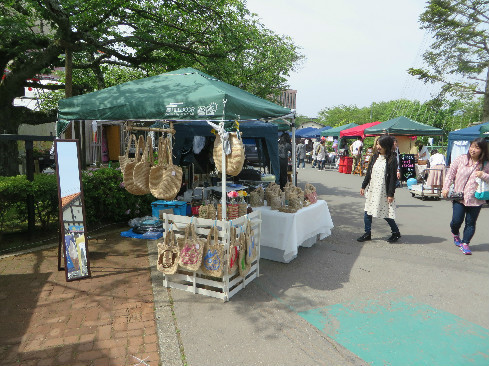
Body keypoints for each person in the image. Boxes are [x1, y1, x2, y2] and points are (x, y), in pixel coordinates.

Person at [441, 138, 489, 255]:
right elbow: (450, 174)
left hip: (476, 199)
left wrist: (484, 175)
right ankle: (455, 233)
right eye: (472, 146)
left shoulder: (485, 164)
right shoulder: (461, 159)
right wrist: (446, 187)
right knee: (456, 221)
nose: (473, 150)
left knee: (470, 223)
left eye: (477, 148)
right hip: (459, 197)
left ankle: (465, 243)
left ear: (482, 150)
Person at [357, 135, 401, 243]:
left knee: (386, 213)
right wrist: (363, 186)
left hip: (383, 191)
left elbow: (392, 178)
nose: (378, 147)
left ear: (386, 146)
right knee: (367, 211)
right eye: (377, 144)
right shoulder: (375, 157)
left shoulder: (392, 159)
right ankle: (367, 233)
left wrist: (390, 194)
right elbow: (369, 173)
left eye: (380, 145)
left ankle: (396, 232)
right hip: (373, 189)